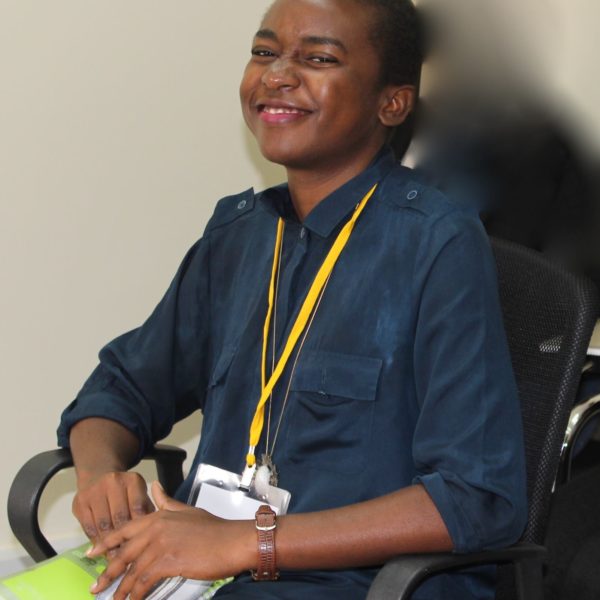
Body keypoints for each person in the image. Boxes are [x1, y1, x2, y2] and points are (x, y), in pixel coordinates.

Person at [56, 1, 527, 599]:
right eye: (264, 52)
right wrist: (101, 477)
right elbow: (119, 389)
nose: (277, 74)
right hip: (203, 572)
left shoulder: (437, 244)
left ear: (392, 102)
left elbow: (477, 496)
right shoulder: (239, 236)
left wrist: (249, 541)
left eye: (318, 58)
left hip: (357, 584)